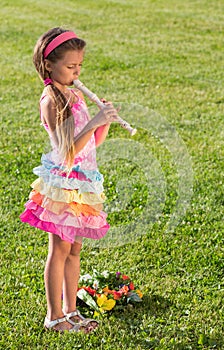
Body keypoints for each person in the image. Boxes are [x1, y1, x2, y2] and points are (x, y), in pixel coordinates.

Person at [20, 27, 118, 333]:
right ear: (49, 65)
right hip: (64, 182)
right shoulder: (52, 100)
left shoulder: (74, 94)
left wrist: (104, 123)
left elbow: (91, 144)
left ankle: (71, 310)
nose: (76, 72)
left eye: (79, 67)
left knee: (75, 251)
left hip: (84, 181)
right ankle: (54, 316)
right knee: (59, 250)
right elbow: (66, 152)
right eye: (70, 67)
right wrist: (93, 122)